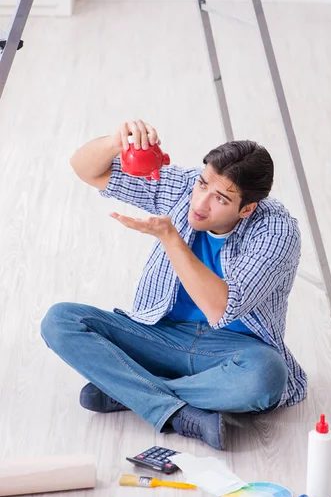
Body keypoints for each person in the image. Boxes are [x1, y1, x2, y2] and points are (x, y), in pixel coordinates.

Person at [41, 119, 307, 451]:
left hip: (231, 352)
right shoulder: (183, 187)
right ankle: (180, 412)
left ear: (247, 209)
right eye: (202, 184)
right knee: (61, 320)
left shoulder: (277, 231)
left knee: (265, 377)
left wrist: (170, 237)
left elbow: (221, 309)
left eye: (221, 199)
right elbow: (86, 170)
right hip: (161, 336)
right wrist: (115, 141)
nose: (200, 203)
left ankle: (131, 390)